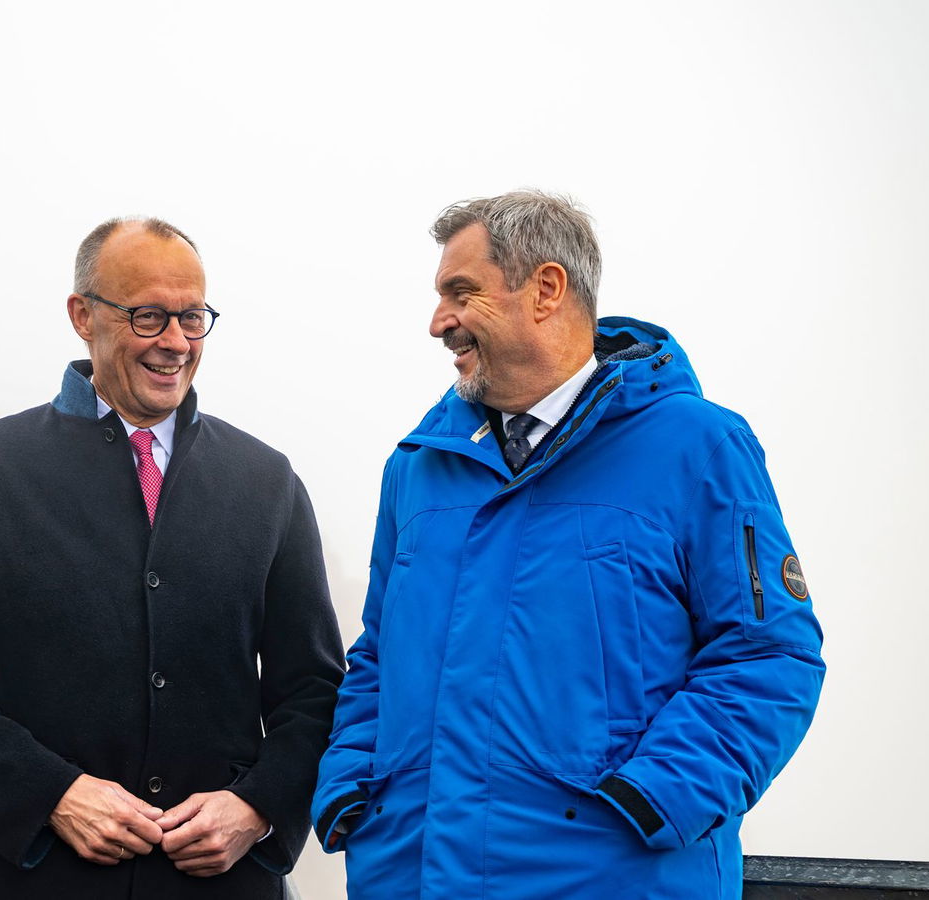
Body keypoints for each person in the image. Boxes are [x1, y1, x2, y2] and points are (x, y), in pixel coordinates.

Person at [311, 190, 825, 898]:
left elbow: (769, 657)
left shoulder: (699, 448)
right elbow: (377, 655)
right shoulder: (418, 468)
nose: (439, 322)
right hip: (412, 875)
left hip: (611, 878)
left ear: (546, 289)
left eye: (462, 292)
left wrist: (653, 800)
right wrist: (349, 793)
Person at [0, 217, 344, 899]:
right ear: (83, 316)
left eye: (193, 318)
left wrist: (256, 808)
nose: (177, 343)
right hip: (36, 883)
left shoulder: (267, 482)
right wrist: (53, 794)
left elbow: (314, 691)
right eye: (150, 316)